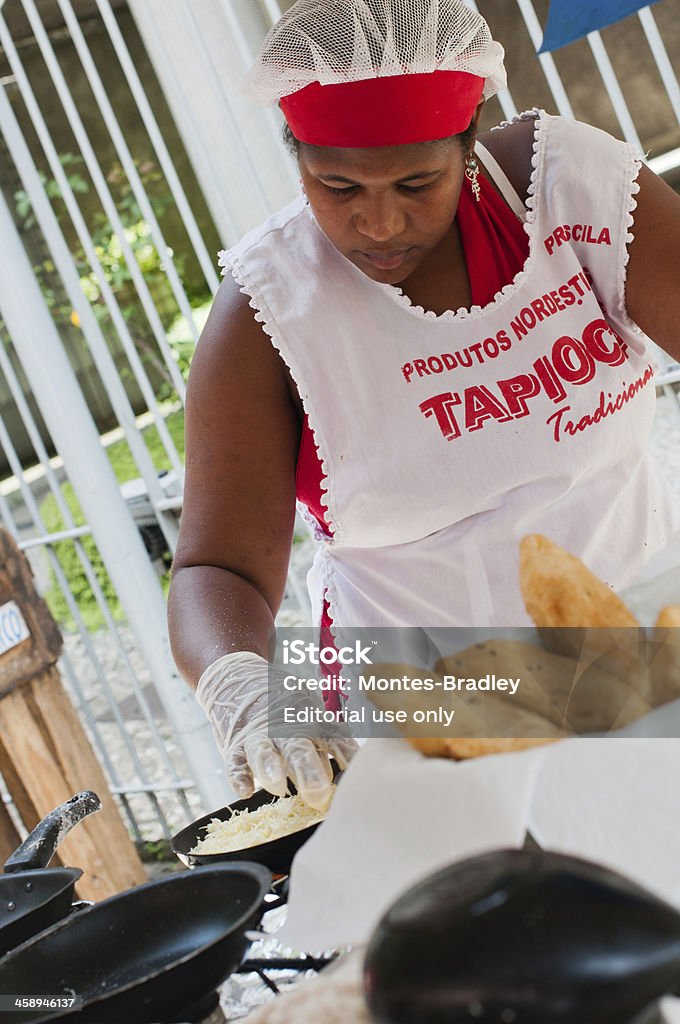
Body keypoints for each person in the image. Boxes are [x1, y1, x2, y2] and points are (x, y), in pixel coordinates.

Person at [167, 0, 680, 809]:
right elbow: (215, 569)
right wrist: (246, 691)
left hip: (638, 642)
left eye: (417, 182)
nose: (379, 221)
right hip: (423, 709)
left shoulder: (566, 190)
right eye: (336, 185)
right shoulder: (268, 315)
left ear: (469, 132)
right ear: (295, 153)